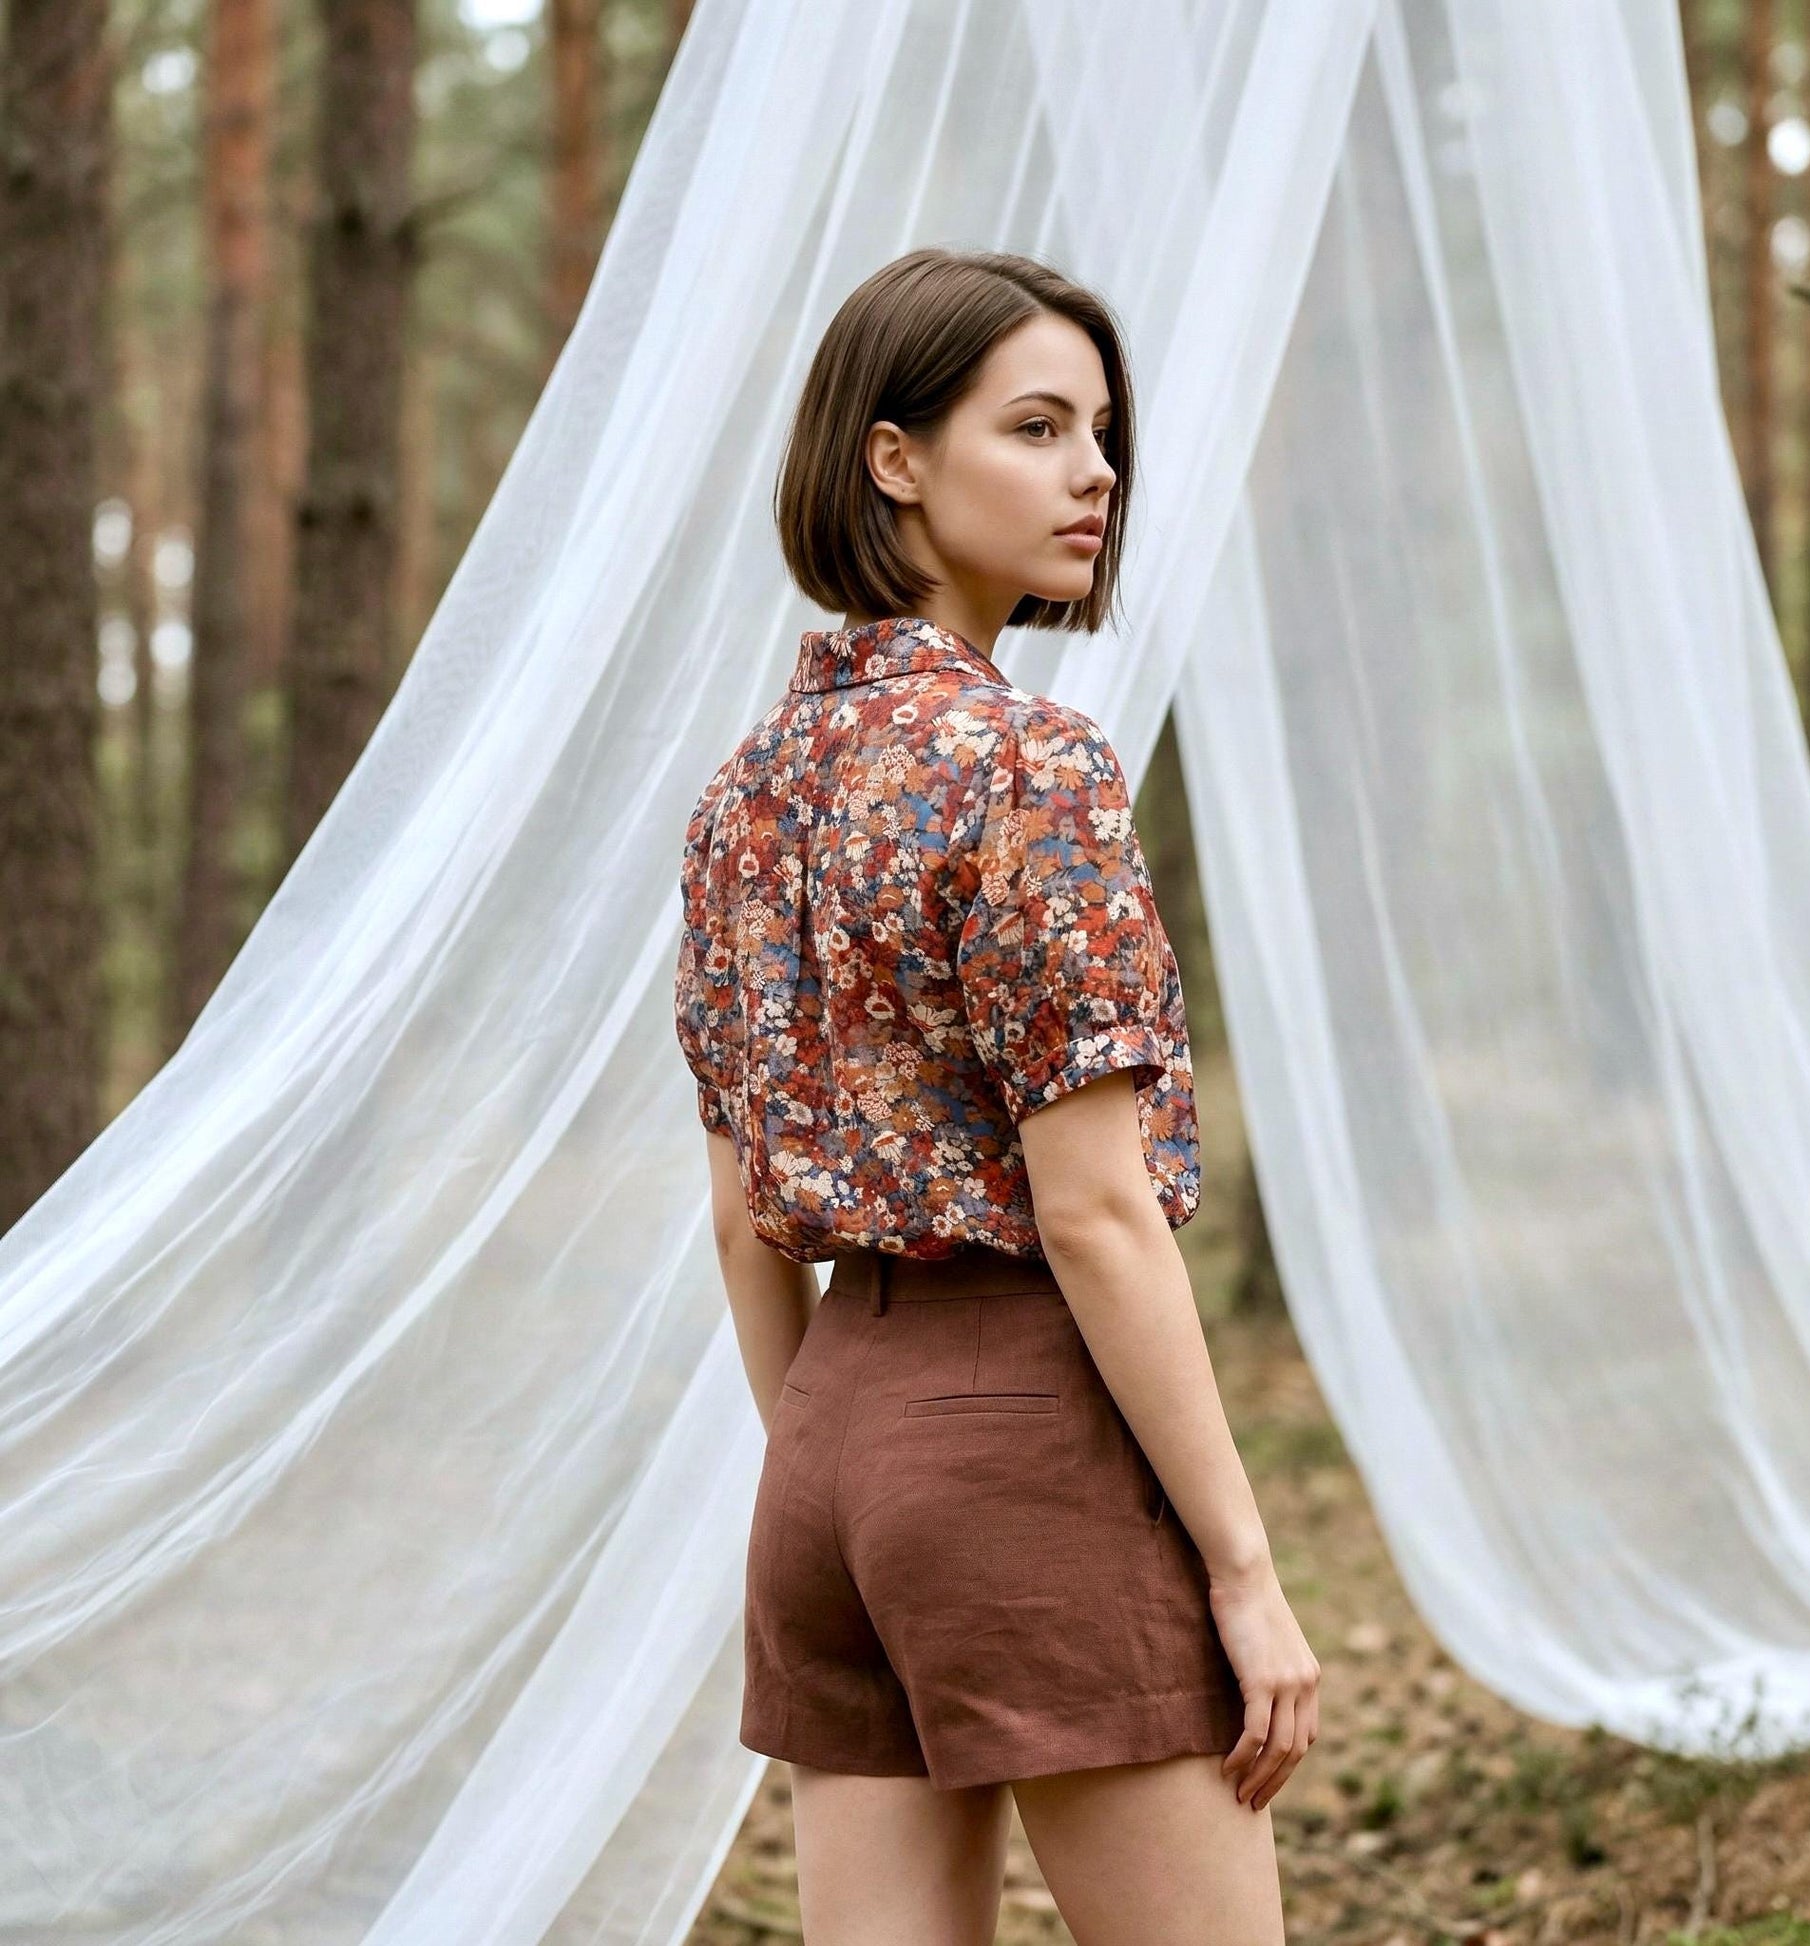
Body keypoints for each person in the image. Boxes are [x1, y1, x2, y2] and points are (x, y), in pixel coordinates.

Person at [673, 245, 1320, 1945]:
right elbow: (1098, 1213)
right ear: (893, 458)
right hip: (1020, 1426)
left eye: (1100, 431)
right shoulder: (1029, 764)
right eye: (1036, 425)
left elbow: (744, 1213)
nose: (1094, 470)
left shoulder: (746, 792)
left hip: (821, 1457)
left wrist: (841, 1453)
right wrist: (1243, 1572)